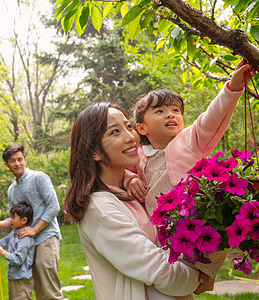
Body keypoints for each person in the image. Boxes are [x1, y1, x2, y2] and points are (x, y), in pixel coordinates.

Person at [64, 102, 214, 300]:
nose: (130, 137)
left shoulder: (134, 189)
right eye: (115, 132)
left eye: (128, 126)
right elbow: (161, 271)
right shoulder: (100, 209)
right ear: (94, 152)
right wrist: (200, 276)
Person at [124, 60, 256, 277]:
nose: (170, 114)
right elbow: (120, 171)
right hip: (160, 233)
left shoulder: (191, 140)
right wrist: (130, 179)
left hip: (196, 227)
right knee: (166, 282)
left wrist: (232, 88)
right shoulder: (139, 155)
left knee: (193, 275)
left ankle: (206, 276)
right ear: (142, 128)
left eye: (176, 110)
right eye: (160, 111)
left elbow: (213, 118)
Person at [0, 144, 63, 300]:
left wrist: (34, 230)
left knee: (47, 292)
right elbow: (13, 219)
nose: (17, 163)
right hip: (24, 243)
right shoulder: (12, 190)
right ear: (7, 164)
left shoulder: (39, 178)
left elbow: (54, 206)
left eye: (20, 159)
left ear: (25, 160)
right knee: (24, 290)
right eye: (12, 161)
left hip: (45, 238)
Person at [0, 201, 35, 300]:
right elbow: (0, 244)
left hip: (21, 279)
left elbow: (18, 259)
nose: (10, 220)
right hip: (14, 276)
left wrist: (3, 252)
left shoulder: (25, 239)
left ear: (24, 220)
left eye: (13, 217)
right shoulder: (13, 233)